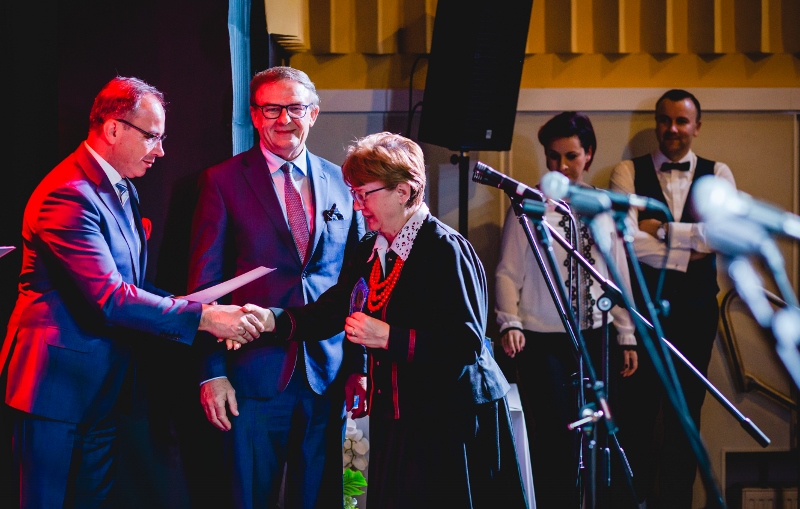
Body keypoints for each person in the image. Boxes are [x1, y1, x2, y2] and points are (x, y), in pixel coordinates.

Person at [0, 76, 265, 508]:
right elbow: (110, 298)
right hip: (56, 393)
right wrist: (204, 318)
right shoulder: (67, 195)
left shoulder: (121, 186)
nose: (160, 151)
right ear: (112, 129)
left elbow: (133, 286)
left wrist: (201, 308)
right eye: (152, 137)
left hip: (103, 390)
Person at [238, 131, 528, 508]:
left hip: (449, 420)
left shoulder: (445, 249)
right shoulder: (371, 249)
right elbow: (332, 310)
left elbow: (466, 344)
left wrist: (390, 337)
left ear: (403, 191)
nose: (357, 206)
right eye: (354, 194)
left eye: (365, 194)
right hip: (401, 416)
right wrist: (270, 319)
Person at [188, 66, 365, 509]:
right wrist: (212, 372)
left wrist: (360, 366)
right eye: (271, 109)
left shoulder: (343, 183)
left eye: (295, 108)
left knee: (323, 500)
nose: (284, 119)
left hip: (327, 376)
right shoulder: (222, 182)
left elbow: (357, 285)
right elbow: (205, 288)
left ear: (314, 114)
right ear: (254, 115)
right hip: (250, 377)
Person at [495, 111, 638, 508]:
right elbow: (507, 271)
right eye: (553, 157)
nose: (561, 165)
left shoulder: (601, 206)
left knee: (601, 434)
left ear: (588, 155)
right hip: (544, 338)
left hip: (596, 335)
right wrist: (510, 322)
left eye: (571, 156)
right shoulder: (530, 204)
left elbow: (617, 273)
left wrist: (626, 333)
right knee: (557, 435)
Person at [609, 89, 736, 508]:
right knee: (636, 416)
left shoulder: (719, 174)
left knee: (685, 415)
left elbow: (721, 236)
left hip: (697, 315)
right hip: (641, 315)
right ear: (657, 123)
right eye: (665, 120)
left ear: (697, 126)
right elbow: (626, 243)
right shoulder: (627, 171)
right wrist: (690, 247)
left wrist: (664, 231)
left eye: (682, 121)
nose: (673, 129)